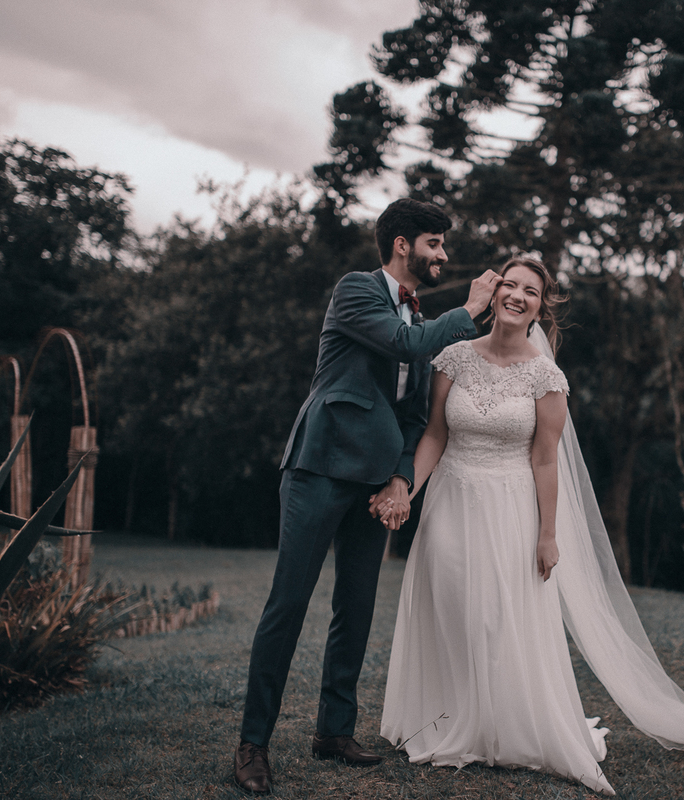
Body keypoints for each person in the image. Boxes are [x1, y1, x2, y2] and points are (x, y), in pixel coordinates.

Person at [379, 256, 684, 796]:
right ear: (494, 291)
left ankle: (500, 728)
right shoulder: (453, 356)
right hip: (451, 501)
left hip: (510, 507)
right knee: (451, 606)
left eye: (530, 291)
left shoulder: (545, 376)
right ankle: (452, 719)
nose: (517, 295)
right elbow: (434, 434)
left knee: (495, 619)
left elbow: (545, 460)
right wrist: (404, 490)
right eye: (510, 284)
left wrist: (548, 535)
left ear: (539, 307)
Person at [234, 198, 501, 795]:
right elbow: (403, 346)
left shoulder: (421, 317)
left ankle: (334, 732)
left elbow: (414, 414)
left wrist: (400, 477)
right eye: (435, 242)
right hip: (321, 468)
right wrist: (472, 309)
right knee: (288, 605)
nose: (444, 254)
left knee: (354, 610)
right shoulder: (356, 290)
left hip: (375, 481)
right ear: (403, 244)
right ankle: (253, 744)